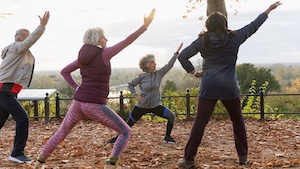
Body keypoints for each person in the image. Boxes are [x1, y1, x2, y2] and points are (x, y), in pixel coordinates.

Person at [34, 9, 155, 169]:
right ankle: (111, 164)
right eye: (104, 36)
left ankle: (39, 162)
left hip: (78, 103)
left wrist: (76, 87)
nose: (107, 39)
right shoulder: (105, 53)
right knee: (125, 132)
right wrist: (144, 26)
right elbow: (127, 41)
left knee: (61, 132)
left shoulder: (82, 57)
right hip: (94, 104)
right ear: (98, 39)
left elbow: (65, 71)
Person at [176, 1, 282, 168]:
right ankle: (243, 157)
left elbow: (182, 56)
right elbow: (253, 26)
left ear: (208, 25)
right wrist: (268, 10)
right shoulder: (235, 37)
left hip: (209, 86)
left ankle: (188, 159)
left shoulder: (202, 41)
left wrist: (193, 72)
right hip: (229, 86)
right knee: (237, 119)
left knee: (200, 121)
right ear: (225, 24)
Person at [108, 43, 183, 145]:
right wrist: (135, 95)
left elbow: (169, 65)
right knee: (128, 124)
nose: (155, 63)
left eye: (154, 61)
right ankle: (116, 139)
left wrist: (176, 53)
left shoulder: (159, 74)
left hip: (155, 105)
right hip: (141, 106)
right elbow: (130, 85)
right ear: (147, 65)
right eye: (152, 62)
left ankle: (167, 137)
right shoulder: (141, 77)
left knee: (171, 116)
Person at [0, 11, 50, 163]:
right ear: (19, 37)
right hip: (5, 90)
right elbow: (31, 40)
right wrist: (41, 26)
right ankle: (17, 153)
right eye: (27, 37)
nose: (29, 39)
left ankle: (17, 153)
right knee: (23, 119)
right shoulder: (16, 47)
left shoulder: (20, 52)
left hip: (8, 91)